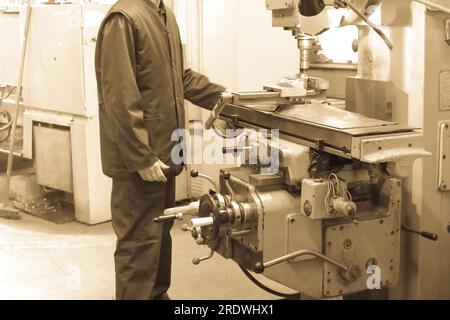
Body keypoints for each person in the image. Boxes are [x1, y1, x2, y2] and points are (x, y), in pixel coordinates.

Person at [95, 0, 225, 300]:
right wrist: (141, 156)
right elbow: (118, 95)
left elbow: (181, 77)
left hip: (166, 155)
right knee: (138, 246)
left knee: (159, 237)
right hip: (141, 162)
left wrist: (225, 97)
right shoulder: (124, 17)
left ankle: (156, 294)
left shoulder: (165, 16)